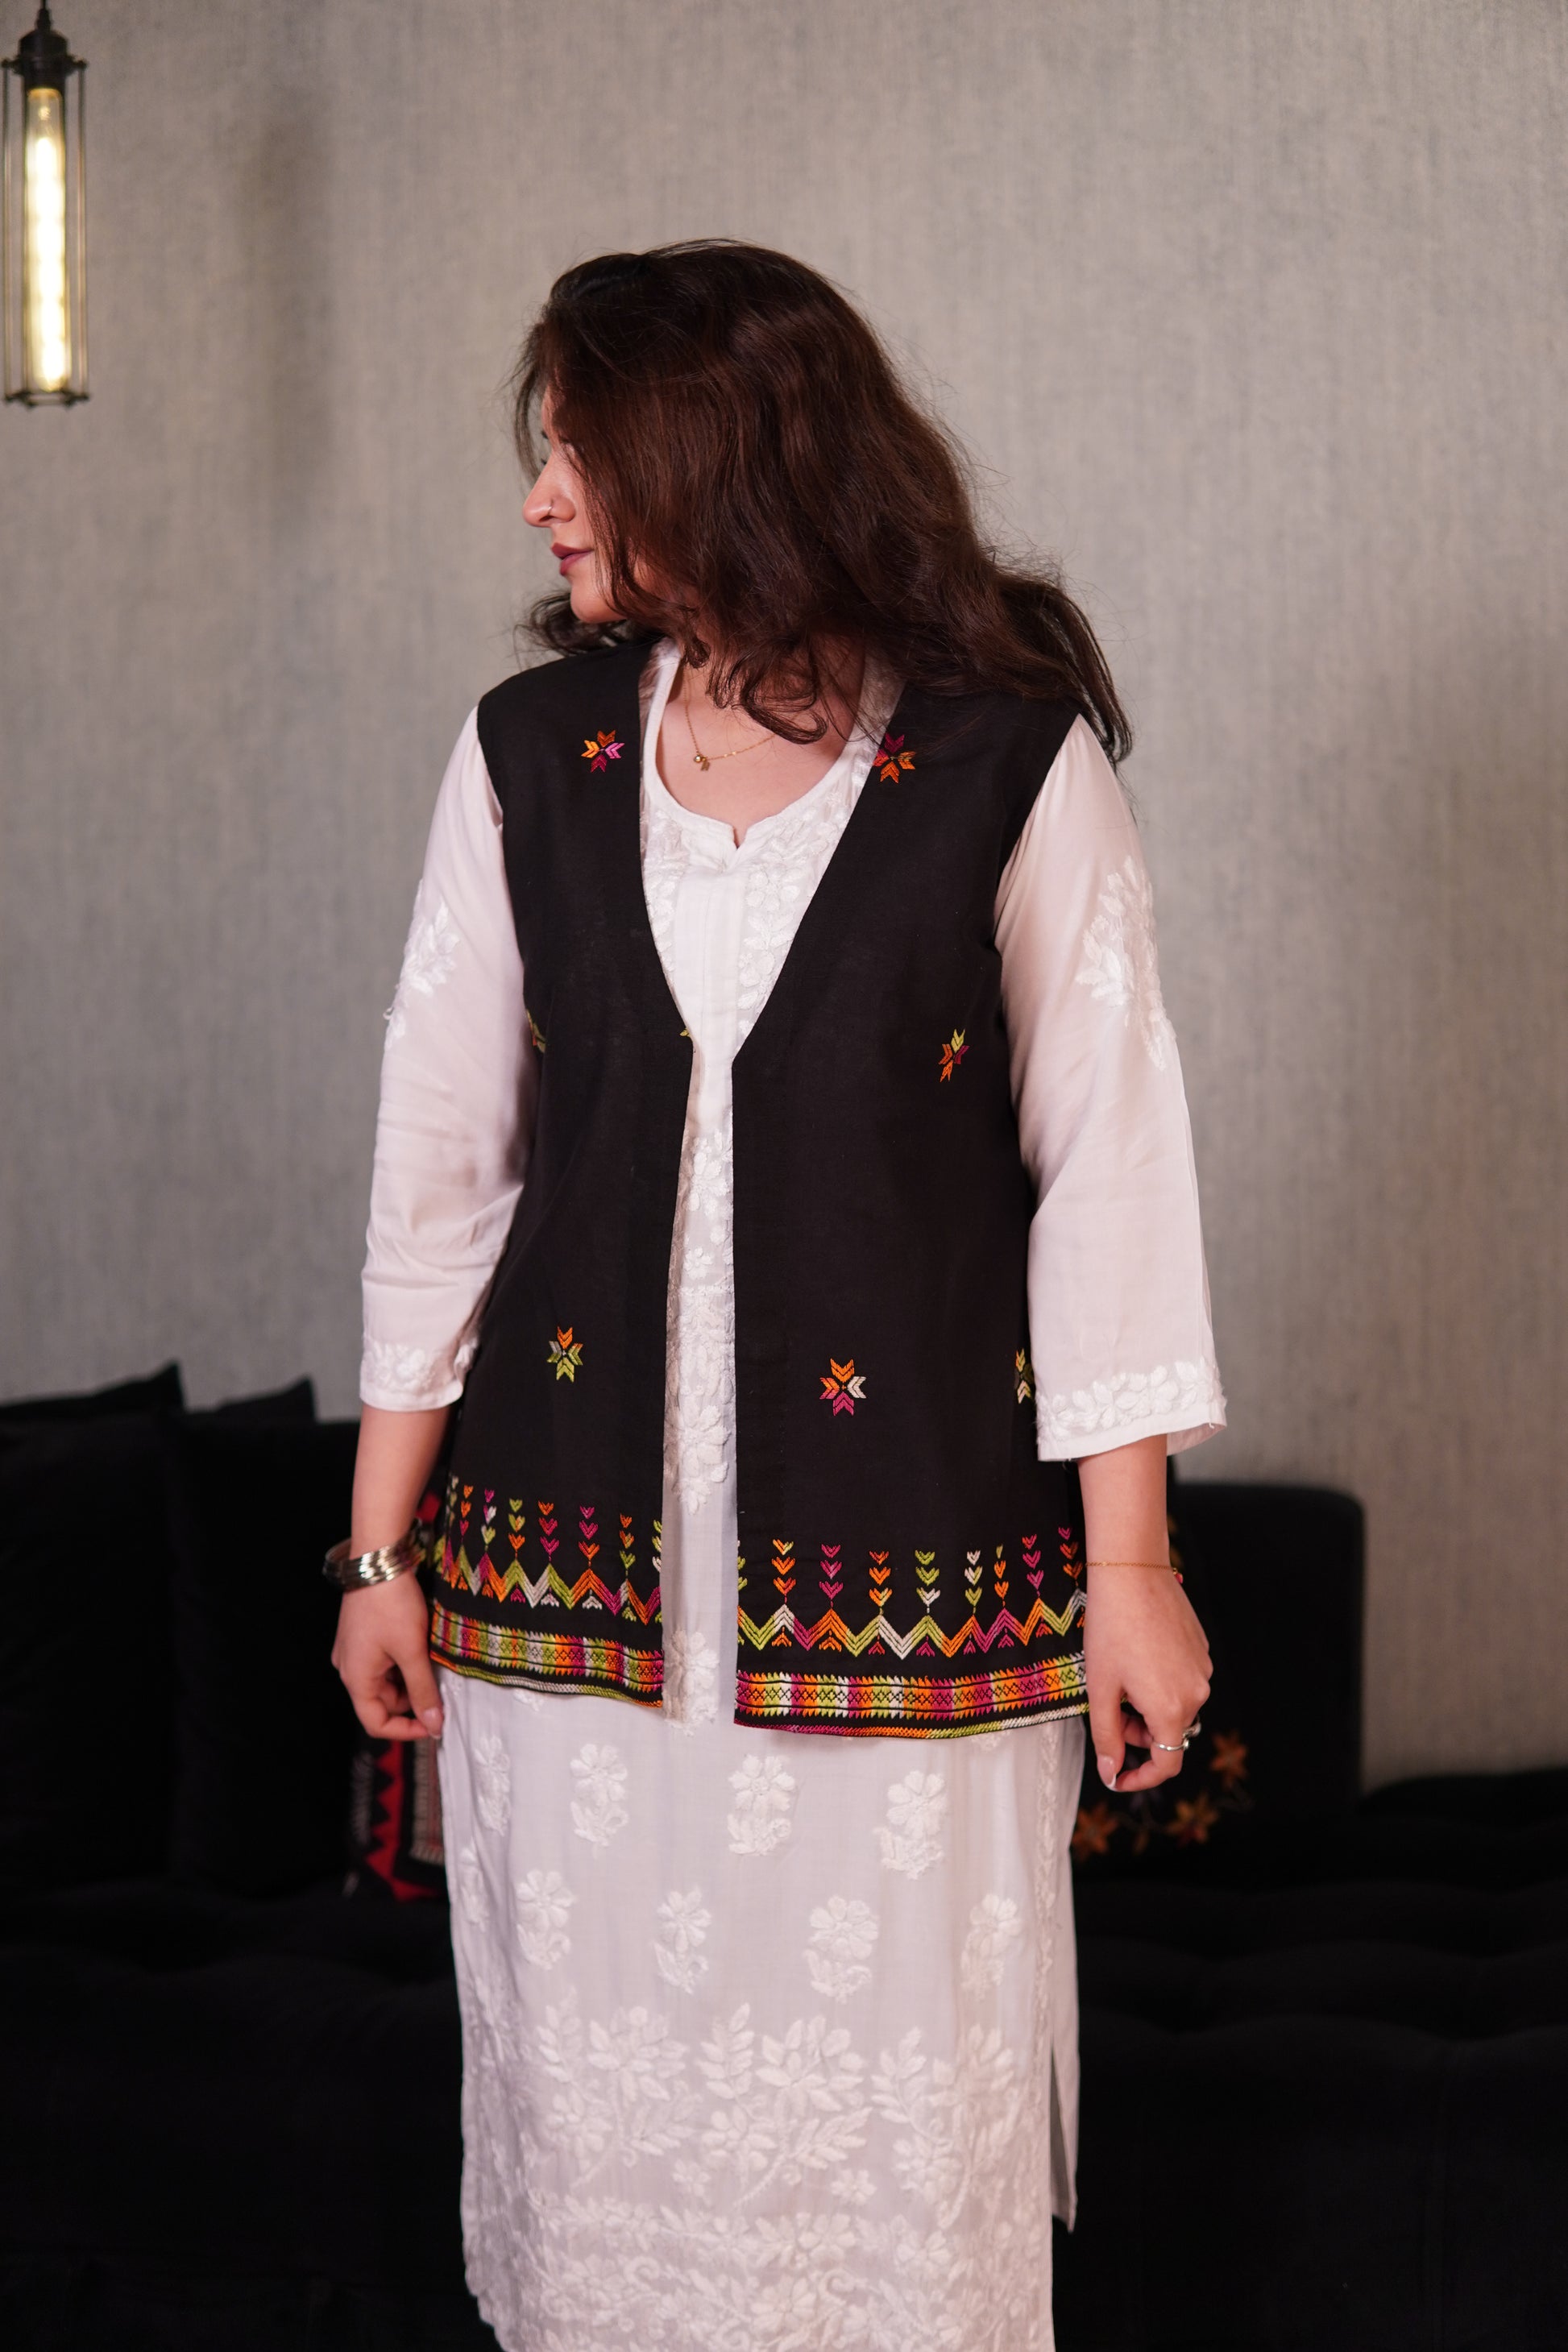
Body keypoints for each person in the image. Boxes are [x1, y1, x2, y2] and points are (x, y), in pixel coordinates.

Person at [330, 240, 1222, 2352]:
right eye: (546, 450)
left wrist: (1133, 1568)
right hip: (570, 1625)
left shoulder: (1011, 764)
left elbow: (1108, 1175)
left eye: (583, 449)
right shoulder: (526, 756)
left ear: (724, 456)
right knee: (599, 2187)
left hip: (910, 1609)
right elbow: (440, 1173)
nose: (542, 497)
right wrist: (377, 1548)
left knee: (892, 2184)